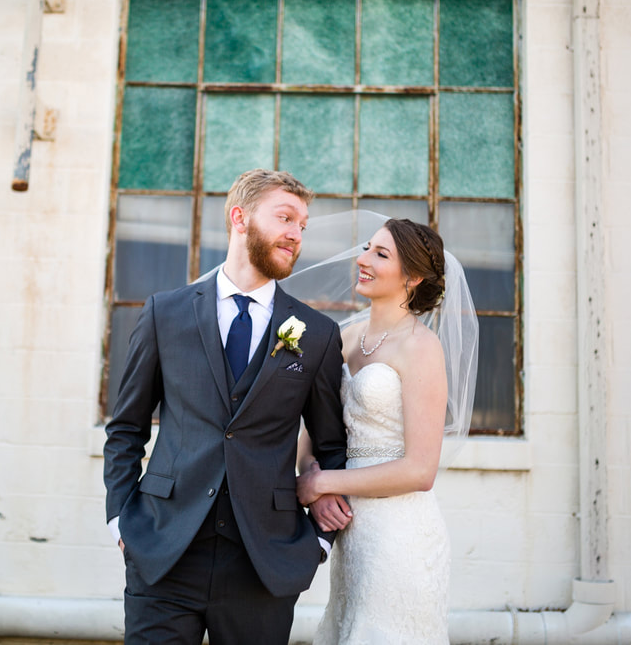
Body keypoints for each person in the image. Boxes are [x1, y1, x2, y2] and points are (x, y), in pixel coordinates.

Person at [103, 169, 351, 645]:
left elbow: (333, 444)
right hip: (163, 551)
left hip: (264, 563)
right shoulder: (165, 313)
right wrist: (121, 519)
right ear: (239, 218)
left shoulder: (316, 333)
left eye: (303, 224)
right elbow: (126, 428)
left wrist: (317, 544)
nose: (296, 234)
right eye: (285, 217)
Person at [296, 217, 472, 645]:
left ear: (412, 277)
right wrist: (312, 479)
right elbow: (311, 430)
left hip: (399, 534)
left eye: (381, 254)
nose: (363, 259)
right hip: (352, 532)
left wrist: (321, 482)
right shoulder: (344, 337)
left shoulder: (420, 347)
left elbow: (419, 470)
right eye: (366, 248)